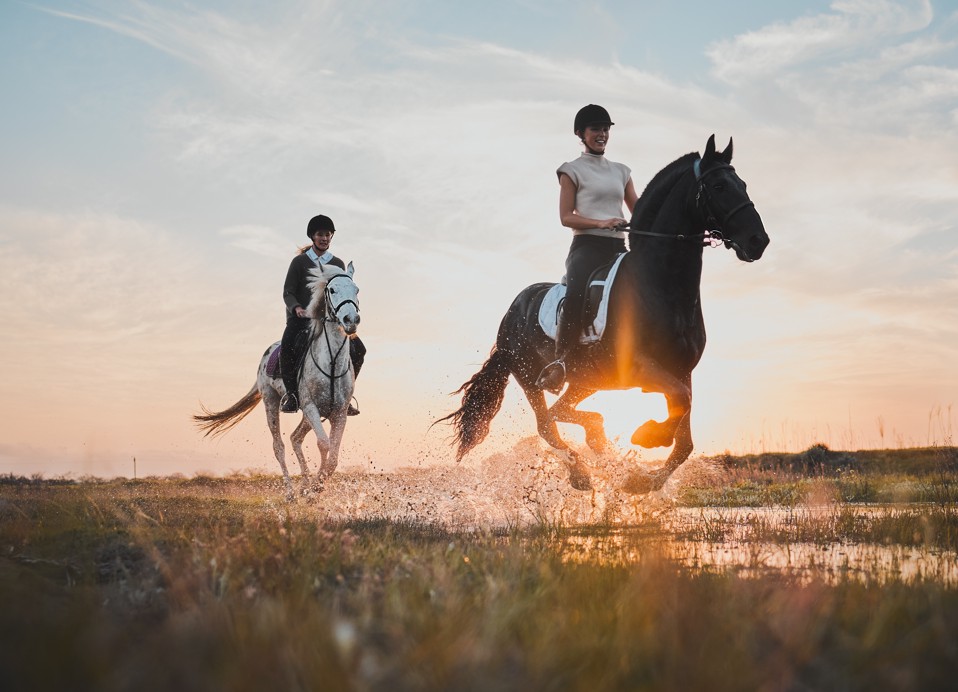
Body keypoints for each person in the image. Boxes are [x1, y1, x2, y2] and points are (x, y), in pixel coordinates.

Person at [535, 104, 638, 393]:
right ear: (581, 133)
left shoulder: (622, 171)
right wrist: (602, 222)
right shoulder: (571, 170)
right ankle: (562, 362)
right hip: (587, 248)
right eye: (596, 129)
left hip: (619, 248)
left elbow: (639, 210)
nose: (602, 134)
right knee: (577, 291)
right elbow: (566, 217)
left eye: (606, 129)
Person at [280, 214, 366, 414]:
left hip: (330, 322)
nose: (324, 238)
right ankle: (292, 395)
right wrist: (296, 308)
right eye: (320, 234)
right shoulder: (299, 262)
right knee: (287, 347)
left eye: (328, 235)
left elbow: (341, 291)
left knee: (360, 350)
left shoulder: (337, 263)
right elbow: (288, 292)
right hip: (302, 320)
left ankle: (346, 395)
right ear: (312, 236)